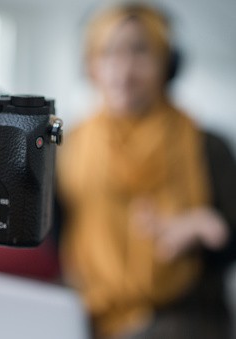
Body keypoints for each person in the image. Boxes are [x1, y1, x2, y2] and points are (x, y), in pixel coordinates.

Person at [55, 3, 236, 338]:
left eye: (140, 51)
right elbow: (48, 233)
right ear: (90, 64)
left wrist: (202, 227)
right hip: (88, 316)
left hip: (187, 316)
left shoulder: (207, 146)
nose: (122, 70)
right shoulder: (66, 144)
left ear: (168, 62)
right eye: (107, 52)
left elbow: (229, 239)